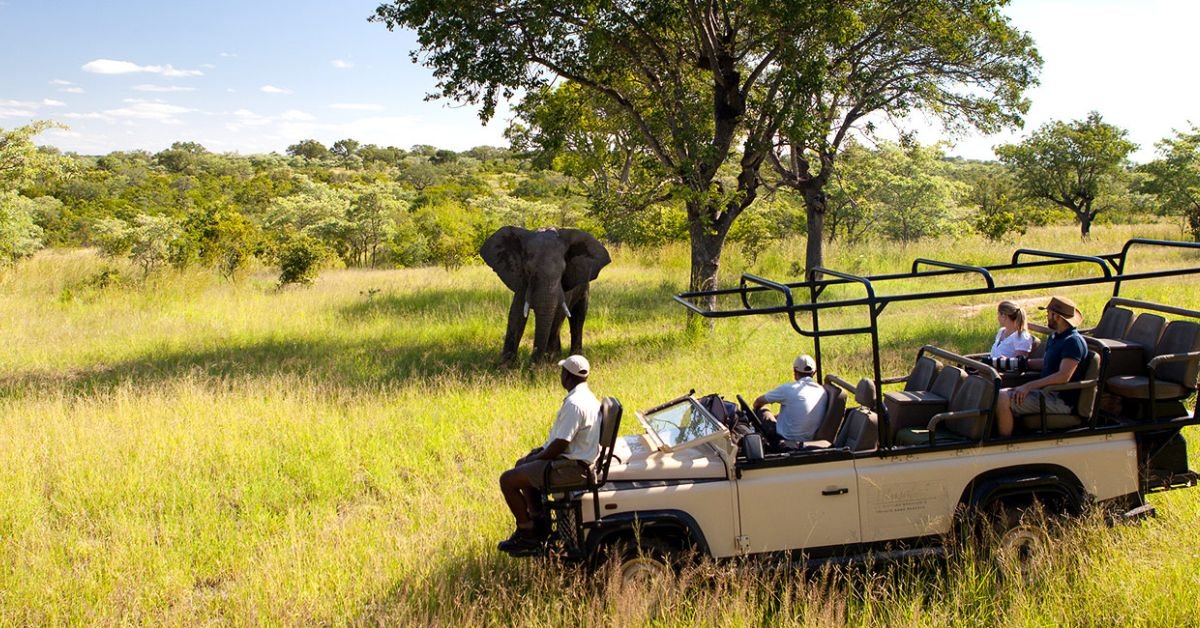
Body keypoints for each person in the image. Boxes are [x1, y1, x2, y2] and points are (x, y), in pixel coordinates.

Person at [497, 354, 601, 555]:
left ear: (568, 376)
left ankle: (527, 533)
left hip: (571, 469)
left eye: (562, 371)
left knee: (507, 480)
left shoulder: (574, 404)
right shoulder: (588, 397)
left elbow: (560, 444)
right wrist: (537, 454)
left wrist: (537, 458)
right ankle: (538, 521)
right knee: (522, 464)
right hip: (577, 461)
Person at [993, 297, 1087, 438]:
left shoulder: (1072, 342)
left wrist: (1028, 386)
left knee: (1002, 398)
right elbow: (1048, 363)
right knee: (995, 393)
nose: (1046, 317)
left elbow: (1063, 376)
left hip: (1059, 399)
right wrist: (1021, 363)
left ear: (1057, 317)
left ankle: (1005, 441)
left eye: (1048, 313)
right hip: (1045, 392)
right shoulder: (1056, 337)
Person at [753, 354, 828, 443]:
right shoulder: (822, 391)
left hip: (785, 440)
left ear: (795, 371)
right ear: (814, 372)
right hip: (810, 440)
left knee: (763, 410)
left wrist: (757, 408)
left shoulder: (788, 389)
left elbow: (758, 402)